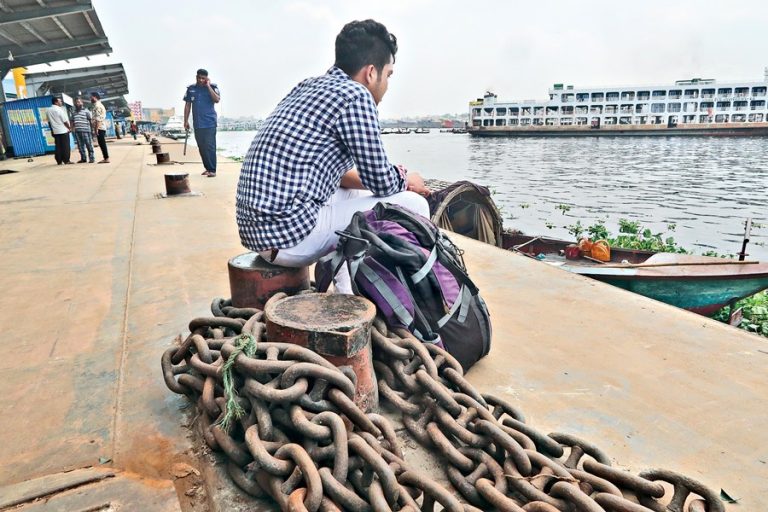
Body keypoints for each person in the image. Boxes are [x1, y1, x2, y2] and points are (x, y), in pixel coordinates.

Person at [236, 19, 430, 293]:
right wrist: (406, 178)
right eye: (388, 75)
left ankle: (346, 290)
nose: (386, 85)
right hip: (290, 237)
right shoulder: (356, 96)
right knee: (414, 205)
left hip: (259, 232)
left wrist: (393, 179)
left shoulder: (307, 86)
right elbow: (382, 182)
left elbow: (338, 176)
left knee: (354, 197)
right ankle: (406, 300)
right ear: (371, 73)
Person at [183, 68, 220, 177]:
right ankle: (207, 168)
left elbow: (217, 99)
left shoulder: (213, 87)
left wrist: (208, 86)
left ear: (206, 78)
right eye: (198, 77)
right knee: (201, 146)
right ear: (196, 77)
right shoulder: (191, 89)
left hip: (209, 123)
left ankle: (212, 170)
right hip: (198, 123)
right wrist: (185, 121)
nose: (200, 80)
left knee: (210, 146)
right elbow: (187, 105)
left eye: (203, 78)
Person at [46, 97, 73, 165]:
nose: (61, 102)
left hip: (55, 131)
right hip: (63, 131)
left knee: (58, 146)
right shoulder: (59, 110)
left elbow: (49, 122)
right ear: (56, 102)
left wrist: (52, 130)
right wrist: (69, 128)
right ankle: (66, 160)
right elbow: (65, 121)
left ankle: (59, 161)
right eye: (60, 101)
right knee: (66, 146)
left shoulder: (48, 110)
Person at [72, 98, 95, 163]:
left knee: (89, 145)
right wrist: (72, 129)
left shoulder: (86, 111)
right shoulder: (73, 113)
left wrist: (92, 130)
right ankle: (83, 158)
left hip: (86, 131)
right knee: (80, 146)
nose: (77, 103)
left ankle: (92, 158)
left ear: (82, 103)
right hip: (77, 132)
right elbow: (72, 121)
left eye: (79, 102)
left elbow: (90, 121)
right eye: (76, 102)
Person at [90, 92, 110, 163]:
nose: (90, 98)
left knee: (102, 143)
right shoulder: (98, 105)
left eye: (91, 97)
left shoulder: (97, 106)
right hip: (100, 127)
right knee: (101, 143)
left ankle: (106, 158)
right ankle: (106, 158)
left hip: (100, 127)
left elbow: (98, 119)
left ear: (95, 97)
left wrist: (96, 129)